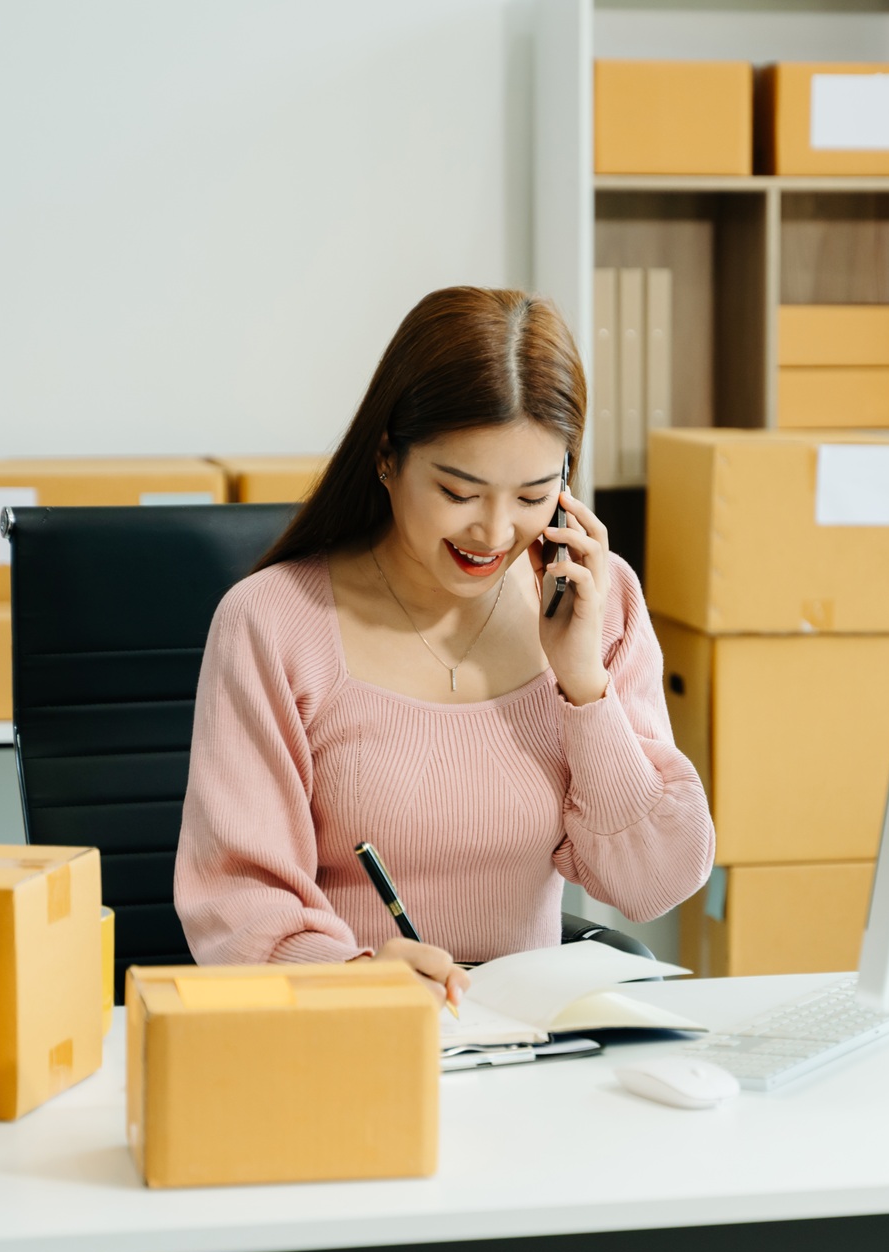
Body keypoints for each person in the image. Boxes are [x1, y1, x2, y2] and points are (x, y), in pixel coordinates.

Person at [173, 286, 715, 1003]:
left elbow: (654, 884)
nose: (494, 532)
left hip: (533, 1036)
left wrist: (585, 686)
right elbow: (238, 899)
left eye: (532, 497)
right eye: (460, 493)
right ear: (387, 457)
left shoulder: (595, 598)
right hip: (355, 1025)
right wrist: (358, 978)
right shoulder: (271, 622)